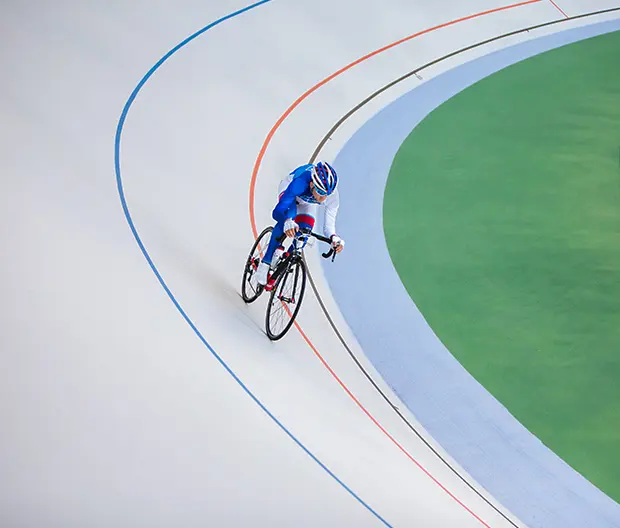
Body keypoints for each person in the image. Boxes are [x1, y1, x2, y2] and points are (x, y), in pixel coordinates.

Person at [255, 161, 345, 289]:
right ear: (312, 184)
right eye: (319, 192)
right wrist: (287, 222)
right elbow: (277, 212)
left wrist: (334, 238)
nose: (322, 199)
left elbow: (329, 226)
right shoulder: (299, 183)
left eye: (326, 195)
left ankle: (283, 261)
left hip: (306, 203)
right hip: (289, 193)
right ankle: (266, 262)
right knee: (287, 220)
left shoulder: (333, 198)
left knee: (304, 234)